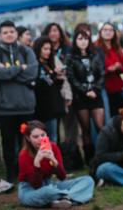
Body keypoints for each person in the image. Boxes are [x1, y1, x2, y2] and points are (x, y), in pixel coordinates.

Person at [0, 20, 39, 183]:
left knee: (27, 143)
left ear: (16, 33)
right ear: (0, 35)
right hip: (5, 108)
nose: (9, 34)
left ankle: (28, 172)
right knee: (8, 144)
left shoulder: (27, 51)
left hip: (25, 107)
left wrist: (8, 71)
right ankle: (11, 173)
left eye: (11, 31)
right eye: (5, 32)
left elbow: (32, 73)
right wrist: (19, 69)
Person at [18, 120, 94, 208]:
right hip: (30, 189)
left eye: (43, 135)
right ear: (28, 138)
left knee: (88, 180)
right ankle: (70, 197)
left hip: (50, 184)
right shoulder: (24, 155)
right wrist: (37, 163)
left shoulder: (53, 147)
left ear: (47, 135)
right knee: (48, 191)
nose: (40, 139)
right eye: (35, 137)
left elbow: (62, 177)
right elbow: (37, 185)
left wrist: (54, 161)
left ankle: (62, 199)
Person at [66, 30, 105, 165]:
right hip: (81, 98)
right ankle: (89, 158)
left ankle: (102, 155)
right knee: (86, 129)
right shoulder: (71, 58)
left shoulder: (95, 56)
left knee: (100, 126)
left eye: (86, 39)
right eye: (80, 39)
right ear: (75, 41)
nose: (83, 41)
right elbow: (72, 78)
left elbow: (101, 74)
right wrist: (85, 91)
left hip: (96, 95)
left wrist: (95, 90)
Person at [42, 23, 77, 145]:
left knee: (69, 122)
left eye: (55, 30)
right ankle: (57, 151)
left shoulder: (69, 49)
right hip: (51, 91)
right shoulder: (42, 53)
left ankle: (71, 149)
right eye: (50, 31)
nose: (53, 33)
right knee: (52, 127)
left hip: (68, 87)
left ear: (61, 34)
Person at [32, 36, 71, 143]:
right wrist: (53, 74)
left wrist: (60, 79)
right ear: (38, 48)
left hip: (54, 107)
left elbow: (54, 85)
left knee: (55, 137)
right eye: (45, 49)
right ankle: (48, 159)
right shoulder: (35, 65)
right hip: (43, 109)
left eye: (50, 49)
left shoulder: (48, 64)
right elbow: (39, 85)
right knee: (48, 139)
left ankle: (54, 159)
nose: (48, 52)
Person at [95, 22, 123, 116]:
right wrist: (108, 70)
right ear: (100, 32)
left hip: (118, 88)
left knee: (121, 116)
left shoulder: (117, 48)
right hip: (104, 88)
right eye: (105, 30)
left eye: (110, 30)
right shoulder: (96, 48)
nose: (108, 32)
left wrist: (119, 67)